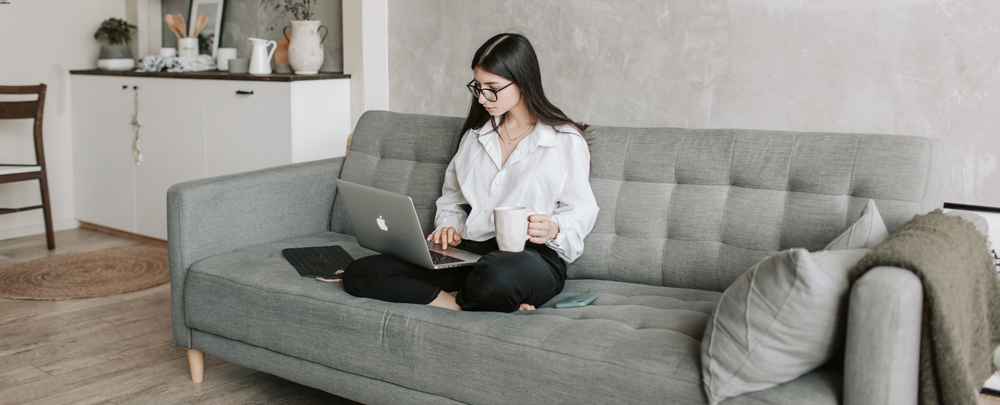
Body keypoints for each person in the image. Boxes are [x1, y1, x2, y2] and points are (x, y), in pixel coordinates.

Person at [341, 33, 599, 313]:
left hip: (531, 256)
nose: (482, 97)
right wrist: (448, 228)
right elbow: (452, 199)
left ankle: (487, 294)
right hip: (471, 252)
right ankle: (457, 302)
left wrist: (555, 228)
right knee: (361, 272)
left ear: (523, 81)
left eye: (493, 87)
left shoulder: (564, 140)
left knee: (496, 276)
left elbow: (582, 210)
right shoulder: (476, 137)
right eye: (478, 86)